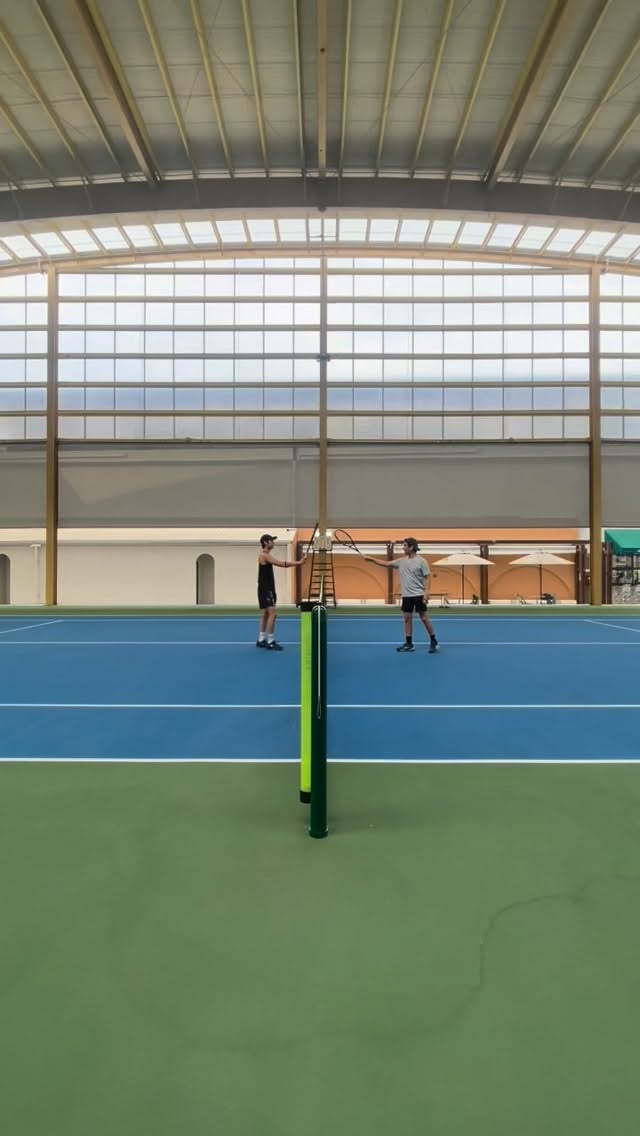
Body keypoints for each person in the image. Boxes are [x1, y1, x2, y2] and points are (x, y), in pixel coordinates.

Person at [365, 538, 439, 653]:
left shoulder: (421, 561)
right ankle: (409, 644)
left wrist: (427, 592)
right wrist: (371, 559)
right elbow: (386, 563)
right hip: (406, 596)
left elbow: (427, 577)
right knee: (407, 619)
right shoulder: (401, 561)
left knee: (424, 618)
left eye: (405, 545)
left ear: (411, 547)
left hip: (419, 595)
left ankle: (433, 641)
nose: (403, 548)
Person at [256, 534, 306, 651]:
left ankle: (261, 639)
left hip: (268, 589)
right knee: (273, 614)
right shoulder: (264, 555)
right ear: (266, 542)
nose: (273, 543)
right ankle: (270, 641)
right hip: (266, 589)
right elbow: (281, 564)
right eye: (271, 541)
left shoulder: (266, 555)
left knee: (266, 614)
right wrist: (299, 563)